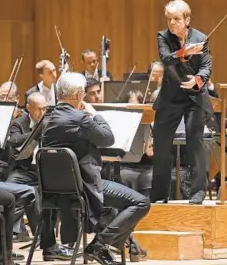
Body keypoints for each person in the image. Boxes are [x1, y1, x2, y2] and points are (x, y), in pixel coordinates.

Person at [41, 72, 150, 265]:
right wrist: (94, 113)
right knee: (140, 203)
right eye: (83, 91)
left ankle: (106, 247)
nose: (84, 95)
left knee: (115, 205)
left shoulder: (48, 118)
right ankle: (99, 245)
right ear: (76, 94)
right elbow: (108, 138)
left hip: (56, 191)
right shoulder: (80, 118)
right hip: (83, 187)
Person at [151, 0, 213, 204]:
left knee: (195, 142)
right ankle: (160, 194)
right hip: (171, 98)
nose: (172, 23)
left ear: (187, 20)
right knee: (161, 144)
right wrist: (184, 52)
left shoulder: (201, 38)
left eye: (176, 19)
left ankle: (198, 192)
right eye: (169, 19)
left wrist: (197, 79)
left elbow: (206, 66)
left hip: (194, 97)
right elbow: (166, 58)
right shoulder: (163, 36)